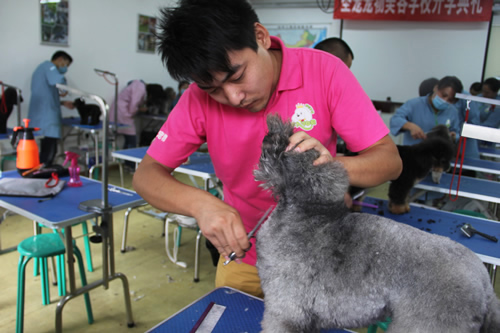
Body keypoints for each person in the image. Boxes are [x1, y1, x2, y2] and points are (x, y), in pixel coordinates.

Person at [133, 0, 402, 298]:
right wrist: (202, 205)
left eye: (237, 76)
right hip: (247, 259)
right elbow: (146, 176)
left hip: (321, 256)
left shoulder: (324, 72)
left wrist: (332, 166)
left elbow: (389, 161)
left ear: (260, 36)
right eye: (214, 89)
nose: (234, 97)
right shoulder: (197, 99)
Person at [28, 50, 74, 166]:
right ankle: (43, 176)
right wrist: (65, 89)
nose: (65, 68)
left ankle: (42, 174)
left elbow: (48, 95)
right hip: (46, 118)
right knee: (48, 153)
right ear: (60, 59)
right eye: (66, 65)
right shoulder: (49, 67)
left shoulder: (43, 70)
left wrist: (63, 103)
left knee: (46, 150)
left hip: (43, 115)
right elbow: (59, 82)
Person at [390, 76, 461, 146]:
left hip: (438, 155)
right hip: (413, 153)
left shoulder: (453, 111)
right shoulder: (414, 104)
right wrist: (410, 126)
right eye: (443, 95)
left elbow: (456, 132)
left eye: (450, 100)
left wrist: (454, 136)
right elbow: (395, 120)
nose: (445, 101)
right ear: (436, 88)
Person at [109, 80, 147, 150]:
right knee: (131, 140)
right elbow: (134, 103)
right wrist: (137, 110)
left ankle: (125, 160)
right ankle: (129, 160)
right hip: (124, 112)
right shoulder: (140, 87)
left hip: (118, 110)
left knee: (127, 138)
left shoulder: (135, 84)